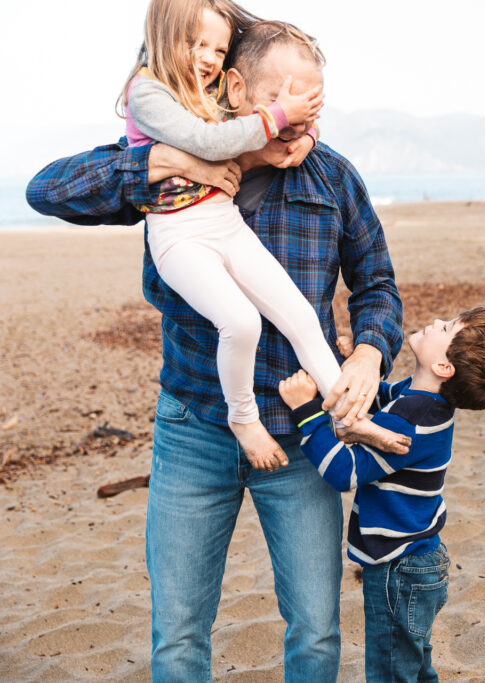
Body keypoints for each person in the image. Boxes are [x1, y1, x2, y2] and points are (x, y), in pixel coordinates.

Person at [27, 19, 403, 682]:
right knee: (177, 635)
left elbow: (376, 283)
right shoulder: (166, 162)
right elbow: (46, 189)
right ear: (235, 88)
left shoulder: (334, 179)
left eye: (311, 98)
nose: (299, 115)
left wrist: (370, 352)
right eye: (282, 96)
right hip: (193, 429)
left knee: (316, 630)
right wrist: (149, 165)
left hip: (301, 437)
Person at [121, 0, 344, 471]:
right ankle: (244, 419)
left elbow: (253, 114)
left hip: (223, 221)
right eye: (196, 43)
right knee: (242, 322)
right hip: (179, 234)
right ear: (163, 35)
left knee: (301, 316)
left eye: (219, 49)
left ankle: (349, 411)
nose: (209, 58)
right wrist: (281, 114)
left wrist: (305, 131)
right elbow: (209, 142)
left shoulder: (212, 90)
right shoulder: (149, 93)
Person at [278, 307, 485, 682]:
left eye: (448, 327)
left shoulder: (411, 420)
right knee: (414, 668)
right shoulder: (421, 400)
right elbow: (377, 400)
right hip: (421, 559)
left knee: (392, 673)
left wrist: (304, 410)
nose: (437, 321)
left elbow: (344, 471)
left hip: (398, 569)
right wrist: (351, 364)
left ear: (443, 367)